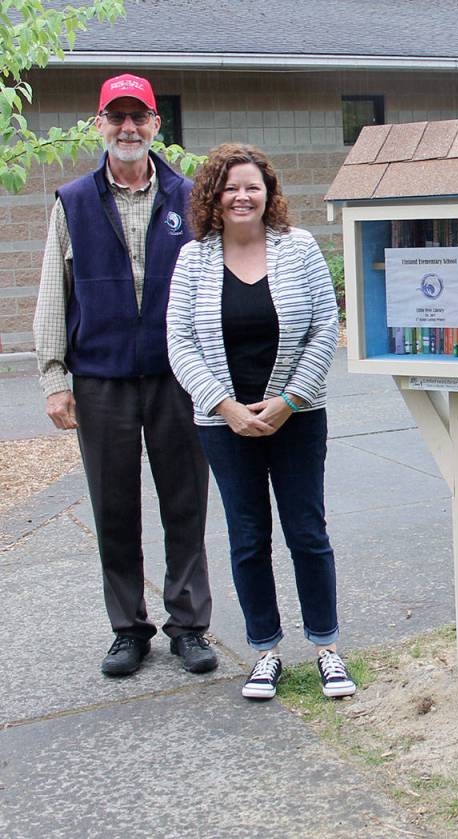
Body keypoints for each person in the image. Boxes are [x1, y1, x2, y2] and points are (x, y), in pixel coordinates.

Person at [32, 74, 217, 677]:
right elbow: (51, 297)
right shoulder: (73, 202)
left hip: (178, 376)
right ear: (100, 126)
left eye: (139, 117)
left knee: (184, 502)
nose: (128, 128)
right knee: (114, 507)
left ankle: (188, 625)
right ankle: (128, 629)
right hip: (101, 379)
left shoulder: (190, 199)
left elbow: (212, 286)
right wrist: (54, 377)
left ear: (156, 125)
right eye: (117, 117)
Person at [167, 143, 351, 702]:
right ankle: (264, 652)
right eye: (229, 187)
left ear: (269, 192)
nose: (242, 196)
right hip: (223, 425)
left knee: (307, 533)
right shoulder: (194, 258)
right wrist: (224, 407)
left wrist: (289, 400)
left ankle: (326, 647)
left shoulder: (298, 249)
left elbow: (326, 325)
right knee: (248, 538)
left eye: (252, 185)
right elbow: (179, 340)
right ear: (213, 198)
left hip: (297, 417)